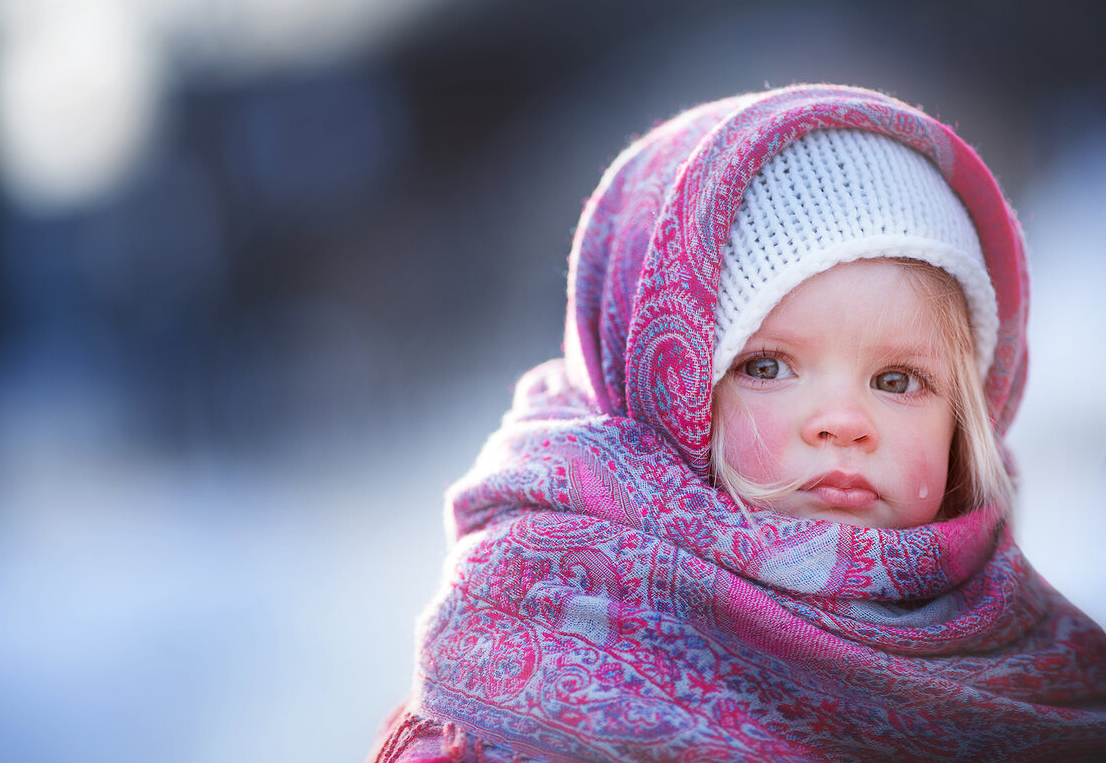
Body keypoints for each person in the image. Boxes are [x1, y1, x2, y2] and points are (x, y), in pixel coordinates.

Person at [369, 84, 1106, 762]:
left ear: (969, 415)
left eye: (897, 380)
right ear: (658, 380)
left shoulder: (1027, 655)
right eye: (767, 366)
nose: (844, 423)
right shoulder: (545, 607)